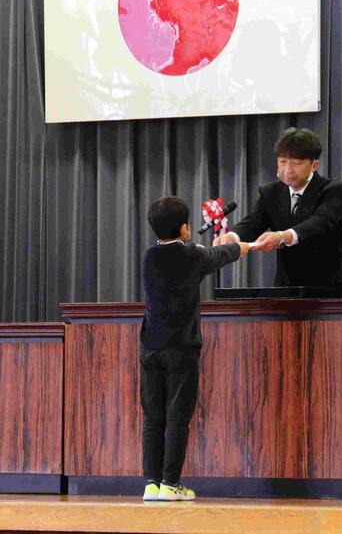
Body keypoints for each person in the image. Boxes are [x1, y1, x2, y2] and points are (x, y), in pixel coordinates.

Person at [140, 196, 249, 501]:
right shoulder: (192, 256)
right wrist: (240, 244)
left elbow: (199, 255)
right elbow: (225, 253)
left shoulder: (149, 256)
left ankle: (152, 484)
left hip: (149, 346)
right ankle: (171, 484)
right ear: (185, 228)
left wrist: (203, 248)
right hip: (181, 348)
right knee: (177, 417)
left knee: (153, 418)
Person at [214, 127, 342, 298]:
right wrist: (233, 236)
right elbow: (253, 222)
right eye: (282, 162)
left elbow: (321, 222)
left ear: (314, 165)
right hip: (287, 287)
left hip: (330, 287)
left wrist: (283, 236)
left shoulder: (334, 189)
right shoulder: (271, 193)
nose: (288, 170)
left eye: (296, 163)